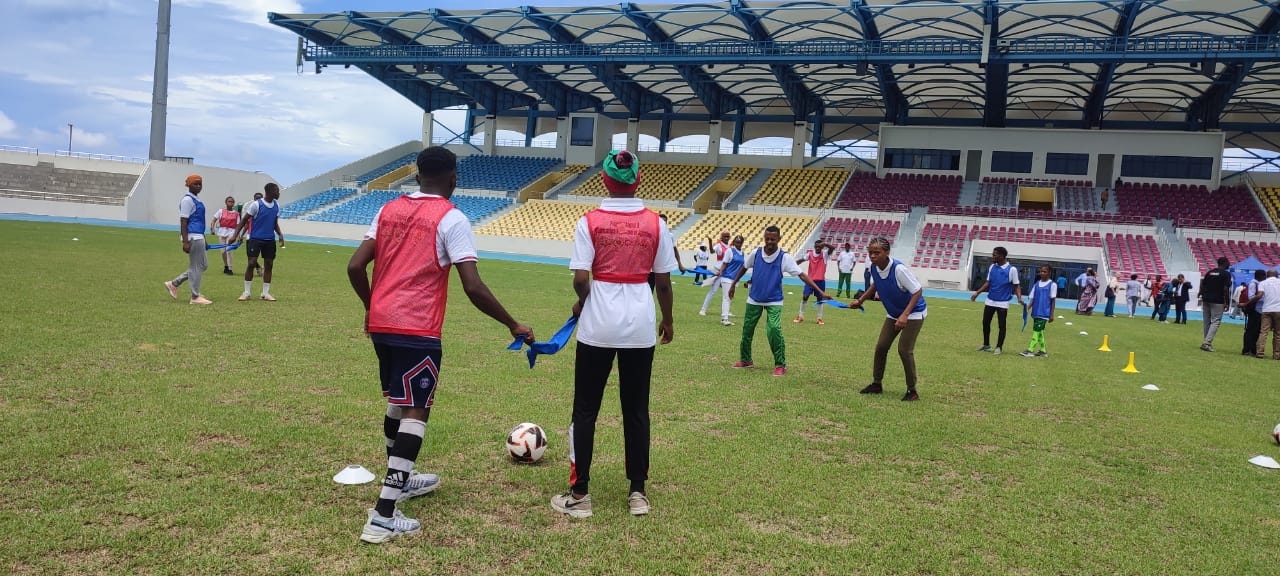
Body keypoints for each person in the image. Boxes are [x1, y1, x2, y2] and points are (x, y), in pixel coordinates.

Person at [347, 146, 535, 544]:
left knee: (397, 402)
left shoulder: (387, 210)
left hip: (382, 324)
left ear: (417, 176)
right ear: (453, 179)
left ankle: (403, 482)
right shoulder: (453, 219)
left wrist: (370, 307)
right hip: (418, 329)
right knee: (417, 410)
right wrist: (512, 323)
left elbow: (354, 266)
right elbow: (473, 285)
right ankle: (382, 515)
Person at [551, 149, 675, 520]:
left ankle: (580, 494)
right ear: (637, 180)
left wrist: (582, 302)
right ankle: (637, 493)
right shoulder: (657, 223)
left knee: (585, 408)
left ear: (605, 180)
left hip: (597, 325)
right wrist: (667, 319)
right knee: (636, 410)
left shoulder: (588, 221)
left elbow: (579, 279)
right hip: (640, 324)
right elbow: (664, 283)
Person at [728, 225, 827, 376]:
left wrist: (820, 292)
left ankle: (780, 364)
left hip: (774, 300)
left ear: (779, 239)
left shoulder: (785, 257)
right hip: (754, 298)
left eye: (773, 239)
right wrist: (733, 284)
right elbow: (744, 267)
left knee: (774, 329)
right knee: (747, 330)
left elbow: (802, 275)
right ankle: (746, 359)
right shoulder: (755, 253)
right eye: (767, 238)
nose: (769, 242)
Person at [852, 237, 927, 401]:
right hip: (894, 313)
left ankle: (912, 391)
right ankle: (877, 384)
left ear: (887, 253)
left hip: (914, 313)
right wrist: (861, 300)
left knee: (904, 350)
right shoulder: (874, 267)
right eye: (870, 252)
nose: (872, 256)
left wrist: (905, 315)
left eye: (876, 253)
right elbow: (876, 284)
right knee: (881, 347)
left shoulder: (898, 269)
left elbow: (917, 291)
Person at [163, 174, 213, 305]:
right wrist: (185, 241)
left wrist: (204, 238)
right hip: (192, 237)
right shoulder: (187, 200)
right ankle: (195, 297)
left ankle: (174, 283)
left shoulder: (196, 199)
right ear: (189, 185)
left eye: (200, 184)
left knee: (202, 265)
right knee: (196, 267)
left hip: (199, 236)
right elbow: (183, 221)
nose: (198, 186)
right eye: (195, 184)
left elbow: (200, 221)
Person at [231, 183, 285, 301]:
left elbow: (274, 223)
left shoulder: (276, 205)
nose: (279, 193)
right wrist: (235, 235)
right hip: (255, 239)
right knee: (251, 263)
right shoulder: (256, 205)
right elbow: (244, 221)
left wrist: (280, 234)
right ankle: (246, 292)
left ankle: (265, 293)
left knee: (269, 265)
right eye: (277, 191)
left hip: (269, 240)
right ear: (270, 191)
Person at [969, 246, 1023, 355]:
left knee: (1001, 325)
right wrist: (977, 293)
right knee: (985, 322)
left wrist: (1019, 298)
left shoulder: (1012, 270)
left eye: (995, 254)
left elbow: (1016, 286)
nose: (992, 256)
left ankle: (999, 347)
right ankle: (986, 345)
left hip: (1002, 302)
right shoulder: (992, 267)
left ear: (1002, 256)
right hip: (990, 300)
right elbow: (988, 283)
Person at [707, 236, 745, 326]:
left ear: (742, 243)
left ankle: (726, 315)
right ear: (734, 242)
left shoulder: (742, 253)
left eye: (740, 242)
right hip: (727, 277)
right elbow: (724, 263)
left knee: (730, 297)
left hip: (735, 279)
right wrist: (720, 272)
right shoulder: (730, 251)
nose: (738, 244)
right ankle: (724, 318)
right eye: (736, 242)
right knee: (726, 297)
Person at [795, 239, 834, 325]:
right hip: (810, 280)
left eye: (819, 247)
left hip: (820, 281)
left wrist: (825, 243)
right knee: (805, 296)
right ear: (814, 247)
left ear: (822, 247)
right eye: (816, 246)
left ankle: (819, 318)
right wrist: (794, 263)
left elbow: (832, 248)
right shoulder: (810, 254)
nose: (817, 248)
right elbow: (801, 260)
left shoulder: (825, 255)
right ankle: (800, 316)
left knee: (820, 299)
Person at [1021, 265, 1057, 357]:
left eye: (1044, 271)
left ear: (1049, 273)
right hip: (1036, 312)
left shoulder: (1052, 285)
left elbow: (1053, 300)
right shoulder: (1036, 284)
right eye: (1041, 271)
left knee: (1036, 331)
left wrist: (1052, 314)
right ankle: (1043, 351)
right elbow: (1032, 299)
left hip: (1044, 313)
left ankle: (1030, 350)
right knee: (1039, 332)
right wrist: (1027, 309)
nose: (1042, 273)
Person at [1199, 257, 1232, 352]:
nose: (1229, 264)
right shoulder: (1226, 274)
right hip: (1218, 300)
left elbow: (1202, 284)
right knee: (1215, 321)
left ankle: (1206, 341)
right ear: (1225, 263)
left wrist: (1202, 294)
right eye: (1228, 262)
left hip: (1206, 299)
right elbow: (1226, 289)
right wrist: (1227, 302)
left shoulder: (1209, 272)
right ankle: (1207, 343)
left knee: (1206, 321)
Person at [699, 231, 733, 316]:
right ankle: (703, 310)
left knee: (728, 292)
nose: (726, 238)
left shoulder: (730, 247)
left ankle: (727, 311)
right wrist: (710, 241)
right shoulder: (718, 245)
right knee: (713, 291)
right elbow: (711, 251)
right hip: (718, 271)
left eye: (728, 236)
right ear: (721, 237)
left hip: (726, 272)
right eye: (725, 236)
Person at [649, 214, 685, 290]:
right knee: (649, 288)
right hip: (651, 267)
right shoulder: (650, 234)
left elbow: (674, 250)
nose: (662, 223)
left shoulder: (670, 235)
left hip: (664, 266)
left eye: (664, 221)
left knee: (664, 288)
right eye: (661, 221)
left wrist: (680, 264)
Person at [210, 195, 240, 275]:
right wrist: (212, 228)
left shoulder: (236, 214)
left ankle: (230, 268)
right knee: (223, 252)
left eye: (232, 202)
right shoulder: (220, 211)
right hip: (222, 232)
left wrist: (238, 236)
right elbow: (213, 220)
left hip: (231, 232)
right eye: (229, 201)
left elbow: (237, 226)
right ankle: (226, 266)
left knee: (228, 250)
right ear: (226, 202)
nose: (231, 203)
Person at [1254, 269, 1280, 359]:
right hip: (1278, 310)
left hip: (1267, 310)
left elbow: (1259, 295)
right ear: (1277, 275)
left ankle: (1260, 352)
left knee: (1263, 332)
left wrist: (1247, 303)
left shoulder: (1263, 283)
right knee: (1278, 333)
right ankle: (1277, 355)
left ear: (1267, 275)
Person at [1243, 271, 1266, 356]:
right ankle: (1247, 349)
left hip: (1259, 310)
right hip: (1254, 310)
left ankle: (1252, 349)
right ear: (1261, 276)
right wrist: (1262, 298)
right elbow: (1251, 297)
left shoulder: (1259, 284)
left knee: (1256, 331)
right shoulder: (1253, 284)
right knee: (1251, 330)